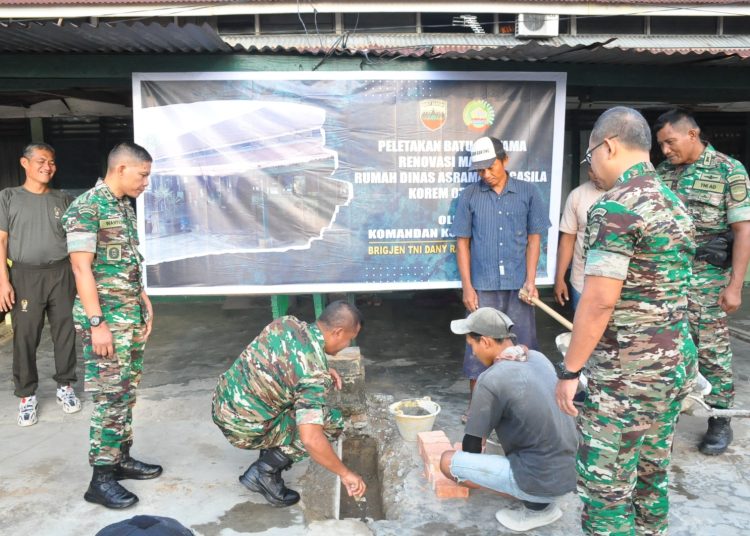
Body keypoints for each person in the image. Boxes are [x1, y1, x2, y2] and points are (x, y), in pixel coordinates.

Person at [555, 107, 697, 535]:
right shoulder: (674, 202)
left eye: (590, 157)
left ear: (609, 146)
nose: (592, 167)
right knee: (652, 478)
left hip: (626, 378)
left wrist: (570, 370)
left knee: (607, 488)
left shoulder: (616, 207)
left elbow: (598, 302)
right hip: (672, 368)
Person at [63, 142, 161, 509]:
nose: (145, 183)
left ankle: (120, 458)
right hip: (105, 323)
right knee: (109, 398)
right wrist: (97, 323)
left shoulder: (120, 206)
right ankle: (100, 478)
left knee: (125, 394)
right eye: (143, 175)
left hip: (127, 316)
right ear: (121, 169)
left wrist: (142, 298)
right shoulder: (87, 208)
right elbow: (80, 268)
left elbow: (124, 263)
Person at [654, 108, 750, 455]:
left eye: (670, 142)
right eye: (661, 145)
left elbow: (743, 231)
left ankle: (720, 419)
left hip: (709, 280)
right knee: (670, 347)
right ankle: (670, 410)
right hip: (668, 279)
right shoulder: (663, 174)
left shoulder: (728, 170)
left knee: (711, 349)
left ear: (691, 134)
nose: (665, 151)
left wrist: (735, 285)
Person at [212, 300, 367, 507]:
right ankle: (264, 472)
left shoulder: (286, 323)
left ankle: (270, 449)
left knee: (299, 401)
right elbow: (311, 439)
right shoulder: (313, 375)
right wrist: (346, 474)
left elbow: (283, 363)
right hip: (243, 429)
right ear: (338, 332)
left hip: (223, 406)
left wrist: (322, 371)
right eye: (350, 339)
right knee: (331, 422)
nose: (348, 345)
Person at [439, 307, 577, 533]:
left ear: (485, 342)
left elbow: (473, 445)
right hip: (570, 471)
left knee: (447, 461)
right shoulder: (538, 357)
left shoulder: (490, 378)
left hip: (539, 479)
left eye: (471, 345)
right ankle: (542, 493)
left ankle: (538, 504)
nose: (472, 353)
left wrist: (466, 458)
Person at [450, 136, 550, 420]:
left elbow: (534, 239)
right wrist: (468, 287)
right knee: (478, 349)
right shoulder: (470, 196)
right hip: (484, 286)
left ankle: (523, 407)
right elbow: (462, 243)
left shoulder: (528, 192)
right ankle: (477, 409)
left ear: (505, 160)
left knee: (522, 347)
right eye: (480, 170)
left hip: (519, 286)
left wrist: (531, 280)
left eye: (491, 167)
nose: (486, 175)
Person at [0, 142, 80, 427]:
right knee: (25, 336)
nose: (48, 167)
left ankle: (65, 386)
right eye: (41, 161)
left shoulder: (63, 199)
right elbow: (1, 241)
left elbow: (76, 241)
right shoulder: (8, 197)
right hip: (25, 276)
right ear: (25, 163)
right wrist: (3, 281)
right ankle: (26, 395)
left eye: (52, 162)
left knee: (65, 331)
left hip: (61, 274)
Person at [553, 167, 605, 310]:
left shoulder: (628, 194)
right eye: (591, 170)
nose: (594, 175)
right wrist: (559, 278)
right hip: (581, 283)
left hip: (619, 285)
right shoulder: (577, 195)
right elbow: (567, 241)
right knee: (583, 331)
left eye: (598, 169)